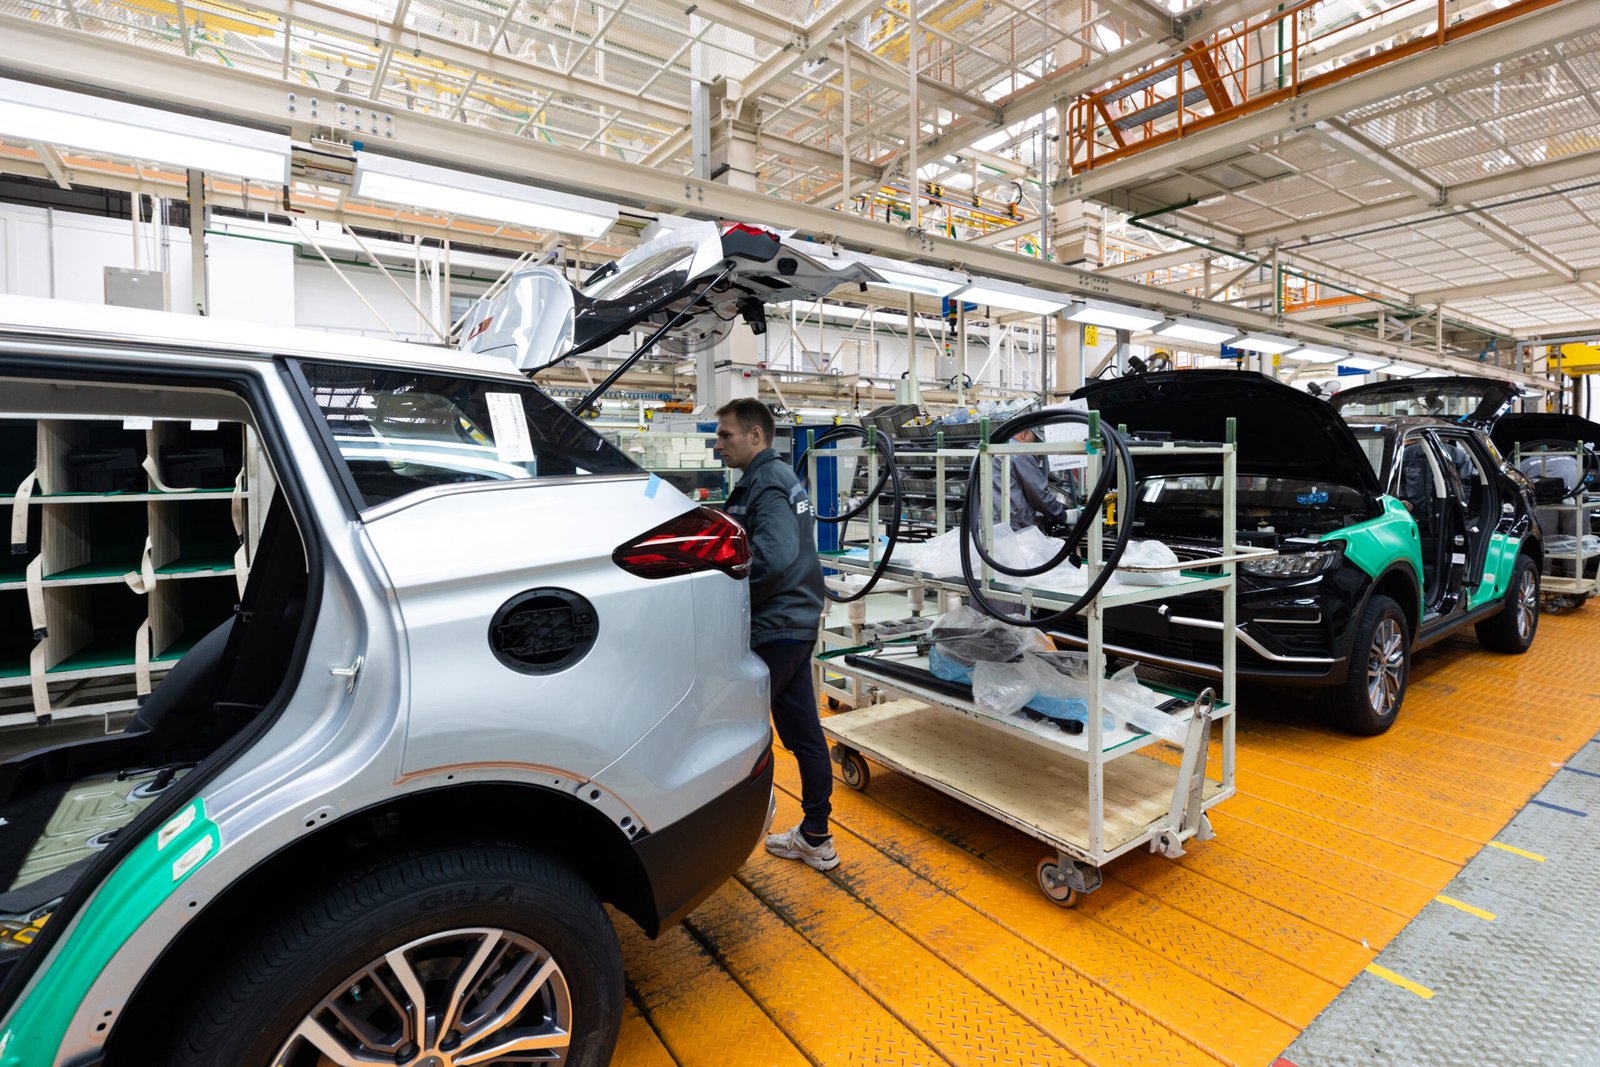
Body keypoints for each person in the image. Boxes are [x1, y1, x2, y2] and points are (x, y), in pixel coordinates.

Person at [716, 398, 838, 872]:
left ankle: (727, 836)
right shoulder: (774, 479)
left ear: (755, 436)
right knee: (803, 729)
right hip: (794, 620)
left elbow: (775, 557)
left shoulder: (765, 482)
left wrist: (720, 590)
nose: (718, 444)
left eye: (726, 435)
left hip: (777, 623)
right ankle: (815, 835)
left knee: (736, 731)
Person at [990, 427, 1070, 533]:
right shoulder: (1020, 453)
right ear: (1025, 434)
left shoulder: (992, 450)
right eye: (1035, 441)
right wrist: (1063, 515)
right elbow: (1039, 494)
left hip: (985, 522)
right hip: (1009, 525)